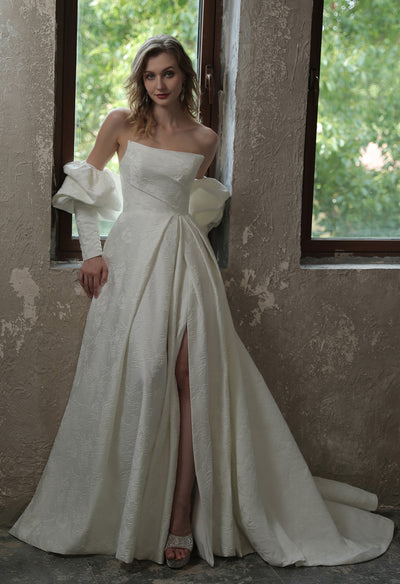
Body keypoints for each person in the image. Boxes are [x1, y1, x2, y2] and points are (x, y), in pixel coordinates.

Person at [10, 34, 393, 570]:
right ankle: (129, 506)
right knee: (143, 375)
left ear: (185, 77)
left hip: (187, 261)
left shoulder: (205, 138)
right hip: (131, 257)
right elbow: (88, 189)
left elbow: (194, 206)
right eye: (149, 75)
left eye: (168, 73)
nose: (158, 84)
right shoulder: (121, 124)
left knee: (196, 378)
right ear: (140, 80)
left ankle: (180, 514)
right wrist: (92, 253)